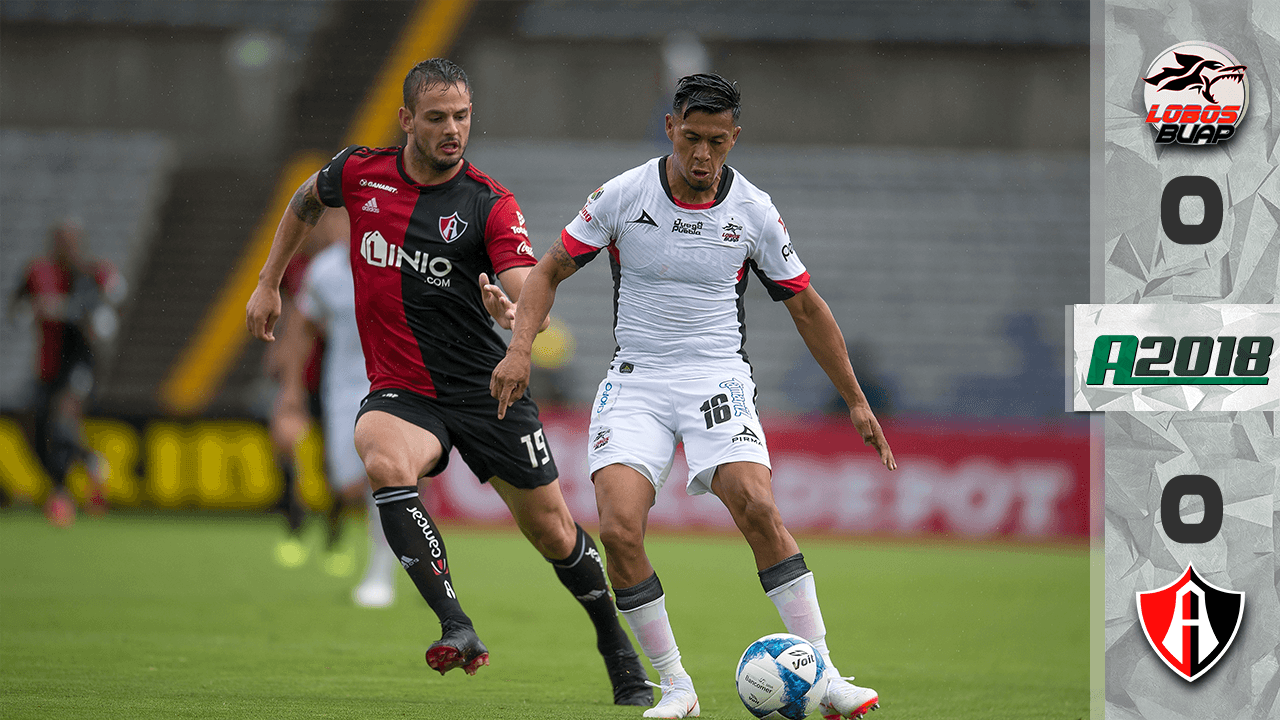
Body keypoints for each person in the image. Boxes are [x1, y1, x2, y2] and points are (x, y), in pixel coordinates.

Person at [245, 58, 652, 706]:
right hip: (404, 389)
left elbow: (526, 283)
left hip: (485, 389)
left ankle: (616, 647)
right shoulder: (358, 173)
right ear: (407, 120)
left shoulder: (487, 204)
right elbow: (303, 201)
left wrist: (517, 315)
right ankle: (456, 625)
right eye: (437, 118)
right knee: (381, 455)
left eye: (462, 117)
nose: (453, 130)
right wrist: (269, 281)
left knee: (551, 531)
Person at [491, 73, 896, 720]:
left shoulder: (754, 211)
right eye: (692, 138)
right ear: (671, 128)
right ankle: (677, 686)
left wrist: (855, 399)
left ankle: (824, 676)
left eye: (717, 141)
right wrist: (518, 350)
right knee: (619, 530)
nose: (703, 155)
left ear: (734, 138)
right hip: (637, 380)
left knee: (757, 506)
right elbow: (548, 270)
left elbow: (808, 308)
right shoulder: (623, 195)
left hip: (716, 378)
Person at [273, 208, 399, 606]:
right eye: (338, 220)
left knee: (381, 475)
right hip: (342, 389)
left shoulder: (396, 262)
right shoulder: (324, 272)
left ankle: (382, 573)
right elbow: (300, 329)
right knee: (346, 482)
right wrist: (291, 390)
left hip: (392, 382)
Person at [12, 220, 124, 526]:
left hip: (80, 362)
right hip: (48, 364)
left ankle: (60, 496)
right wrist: (28, 312)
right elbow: (17, 307)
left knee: (63, 418)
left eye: (73, 242)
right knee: (34, 425)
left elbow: (111, 309)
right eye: (63, 242)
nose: (68, 248)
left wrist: (69, 310)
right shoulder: (38, 272)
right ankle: (90, 462)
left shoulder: (91, 274)